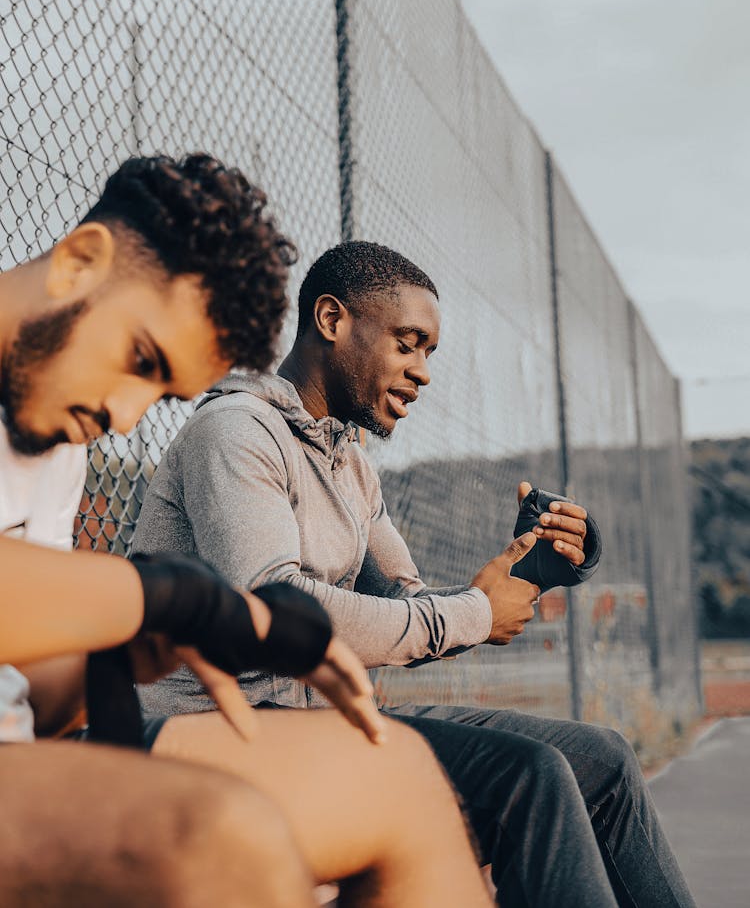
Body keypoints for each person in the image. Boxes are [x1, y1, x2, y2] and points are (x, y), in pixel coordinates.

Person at [136, 239, 698, 908]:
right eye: (408, 343)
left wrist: (530, 570)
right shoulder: (236, 431)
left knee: (601, 758)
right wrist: (472, 612)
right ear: (332, 319)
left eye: (428, 351)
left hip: (322, 721)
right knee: (531, 775)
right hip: (212, 733)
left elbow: (409, 602)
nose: (423, 371)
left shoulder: (351, 463)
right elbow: (275, 605)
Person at [1, 171, 491, 908]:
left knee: (399, 775)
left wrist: (124, 651)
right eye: (142, 358)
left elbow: (31, 696)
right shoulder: (81, 400)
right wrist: (174, 602)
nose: (126, 416)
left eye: (160, 393)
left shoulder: (59, 426)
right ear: (79, 262)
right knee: (232, 838)